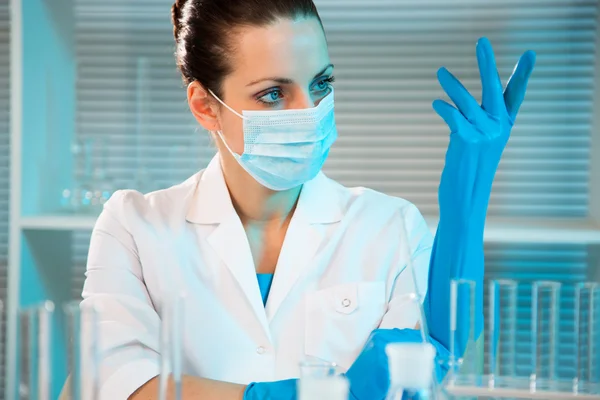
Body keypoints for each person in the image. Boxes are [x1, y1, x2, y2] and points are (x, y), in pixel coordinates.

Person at [79, 0, 535, 399]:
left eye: (320, 84)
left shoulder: (390, 225)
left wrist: (467, 203)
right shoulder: (134, 225)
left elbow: (434, 374)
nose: (309, 113)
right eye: (273, 94)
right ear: (204, 105)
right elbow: (116, 385)